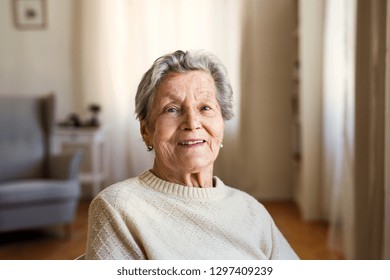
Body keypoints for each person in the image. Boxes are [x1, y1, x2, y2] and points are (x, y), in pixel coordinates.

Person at [85, 50, 299, 260]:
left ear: (221, 125)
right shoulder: (118, 208)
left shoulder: (252, 210)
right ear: (146, 131)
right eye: (172, 109)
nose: (192, 123)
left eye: (205, 108)